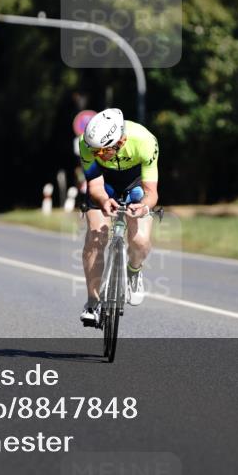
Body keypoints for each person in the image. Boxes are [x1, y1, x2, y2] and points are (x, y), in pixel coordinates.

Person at [78, 108, 159, 326]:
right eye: (94, 151)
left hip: (136, 183)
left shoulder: (144, 141)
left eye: (102, 152)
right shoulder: (87, 144)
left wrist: (142, 208)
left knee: (140, 241)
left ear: (120, 141)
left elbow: (152, 193)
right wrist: (104, 201)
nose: (96, 155)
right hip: (105, 184)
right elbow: (94, 184)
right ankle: (93, 302)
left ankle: (134, 271)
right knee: (95, 238)